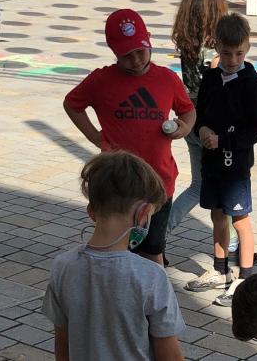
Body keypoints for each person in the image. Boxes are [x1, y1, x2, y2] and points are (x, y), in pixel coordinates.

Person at [64, 8, 196, 266]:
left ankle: (155, 301)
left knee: (153, 250)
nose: (136, 60)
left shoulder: (167, 79)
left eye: (140, 51)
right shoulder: (102, 80)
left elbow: (187, 109)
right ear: (113, 51)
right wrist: (95, 137)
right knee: (118, 248)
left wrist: (185, 127)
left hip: (160, 182)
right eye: (127, 55)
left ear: (149, 41)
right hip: (118, 185)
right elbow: (72, 104)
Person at [42, 151, 185, 361]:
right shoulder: (151, 275)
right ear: (143, 213)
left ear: (91, 211)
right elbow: (169, 355)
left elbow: (62, 343)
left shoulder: (63, 266)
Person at [184, 13, 257, 307]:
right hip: (212, 164)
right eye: (226, 53)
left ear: (247, 48)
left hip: (237, 167)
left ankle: (244, 278)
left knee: (240, 219)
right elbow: (200, 114)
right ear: (216, 48)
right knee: (217, 216)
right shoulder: (210, 78)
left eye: (239, 53)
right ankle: (220, 271)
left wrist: (226, 141)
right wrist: (202, 128)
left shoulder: (252, 84)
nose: (232, 59)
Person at [168, 0, 226, 234]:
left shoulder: (188, 41)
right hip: (209, 122)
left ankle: (234, 243)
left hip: (187, 115)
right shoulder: (215, 50)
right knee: (205, 186)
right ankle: (158, 234)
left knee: (217, 186)